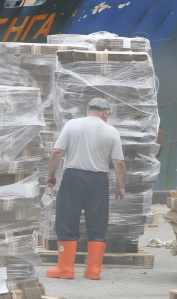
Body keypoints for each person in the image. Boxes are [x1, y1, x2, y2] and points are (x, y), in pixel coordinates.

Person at [45, 98, 126, 280]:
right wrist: (121, 187)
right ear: (105, 113)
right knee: (97, 223)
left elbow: (57, 152)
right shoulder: (112, 131)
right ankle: (93, 271)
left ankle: (65, 268)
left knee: (67, 220)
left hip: (73, 178)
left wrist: (50, 174)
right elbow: (119, 163)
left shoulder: (72, 125)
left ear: (89, 110)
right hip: (99, 181)